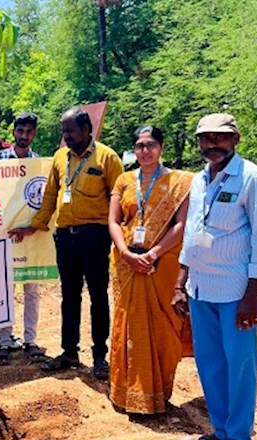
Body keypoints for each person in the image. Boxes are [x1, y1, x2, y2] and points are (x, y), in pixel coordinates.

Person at [175, 113, 257, 440]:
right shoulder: (200, 180)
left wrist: (252, 294)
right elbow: (191, 232)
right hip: (201, 287)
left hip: (236, 291)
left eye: (218, 138)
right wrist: (181, 282)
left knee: (240, 366)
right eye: (204, 139)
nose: (210, 145)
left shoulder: (253, 179)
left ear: (236, 139)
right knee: (210, 363)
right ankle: (219, 432)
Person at [9, 107, 123, 380]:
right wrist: (33, 226)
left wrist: (121, 239)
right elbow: (49, 196)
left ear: (86, 130)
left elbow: (121, 200)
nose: (66, 136)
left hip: (95, 236)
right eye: (63, 131)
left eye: (70, 131)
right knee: (69, 297)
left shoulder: (107, 157)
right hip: (65, 237)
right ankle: (69, 352)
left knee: (98, 296)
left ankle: (99, 356)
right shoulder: (60, 157)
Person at [107, 125, 193, 414]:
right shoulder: (123, 180)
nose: (145, 150)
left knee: (163, 325)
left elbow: (181, 225)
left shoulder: (180, 183)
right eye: (140, 145)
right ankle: (125, 393)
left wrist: (154, 253)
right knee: (126, 324)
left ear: (162, 148)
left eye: (151, 145)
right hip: (126, 262)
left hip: (162, 262)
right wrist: (125, 252)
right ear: (134, 149)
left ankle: (158, 393)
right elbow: (114, 221)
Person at [0, 112, 46, 365]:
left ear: (34, 134)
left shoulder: (40, 164)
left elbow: (46, 200)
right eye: (20, 131)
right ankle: (4, 341)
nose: (24, 136)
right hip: (3, 236)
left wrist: (33, 227)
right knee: (5, 290)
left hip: (32, 235)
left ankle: (30, 341)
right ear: (13, 132)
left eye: (29, 132)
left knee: (32, 290)